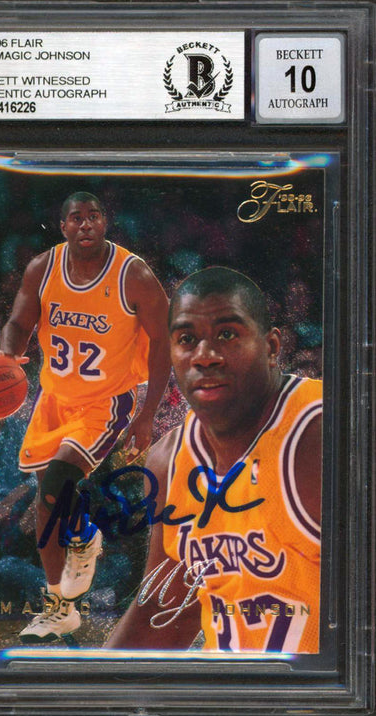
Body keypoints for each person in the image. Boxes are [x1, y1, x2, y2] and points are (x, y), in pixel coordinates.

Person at [106, 266, 322, 653]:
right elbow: (164, 612)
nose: (205, 356)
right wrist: (91, 687)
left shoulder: (321, 435)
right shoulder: (169, 460)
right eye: (187, 339)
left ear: (272, 347)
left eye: (227, 334)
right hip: (235, 687)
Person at [0, 191, 170, 643]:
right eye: (76, 218)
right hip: (54, 400)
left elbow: (163, 343)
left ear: (105, 221)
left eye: (94, 216)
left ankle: (83, 534)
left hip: (106, 401)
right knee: (46, 503)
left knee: (59, 481)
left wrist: (147, 414)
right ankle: (61, 608)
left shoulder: (133, 274)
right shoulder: (42, 268)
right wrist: (8, 352)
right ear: (64, 227)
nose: (86, 224)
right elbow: (19, 322)